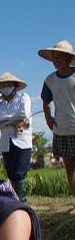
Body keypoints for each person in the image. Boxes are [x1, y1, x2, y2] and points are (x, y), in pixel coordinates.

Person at [39, 39, 75, 214]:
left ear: (69, 58)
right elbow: (46, 103)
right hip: (62, 129)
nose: (56, 60)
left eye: (59, 56)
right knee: (69, 166)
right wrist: (48, 119)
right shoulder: (50, 80)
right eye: (54, 57)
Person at [0, 72, 32, 202]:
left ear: (15, 86)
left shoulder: (24, 98)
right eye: (3, 86)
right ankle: (15, 200)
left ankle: (22, 201)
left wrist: (6, 121)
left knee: (19, 173)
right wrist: (12, 120)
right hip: (6, 142)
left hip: (21, 140)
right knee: (12, 174)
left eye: (8, 85)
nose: (6, 88)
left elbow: (24, 116)